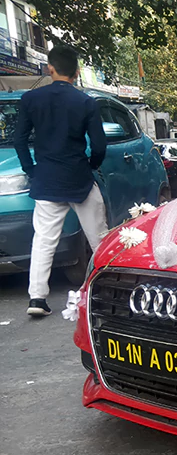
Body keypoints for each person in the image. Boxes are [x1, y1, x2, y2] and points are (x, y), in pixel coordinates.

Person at [14, 45, 107, 317]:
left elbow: (20, 140)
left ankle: (37, 299)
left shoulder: (31, 100)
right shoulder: (86, 102)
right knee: (99, 238)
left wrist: (31, 169)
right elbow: (99, 145)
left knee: (43, 240)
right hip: (79, 178)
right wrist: (91, 166)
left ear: (50, 68)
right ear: (77, 73)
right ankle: (107, 292)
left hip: (46, 180)